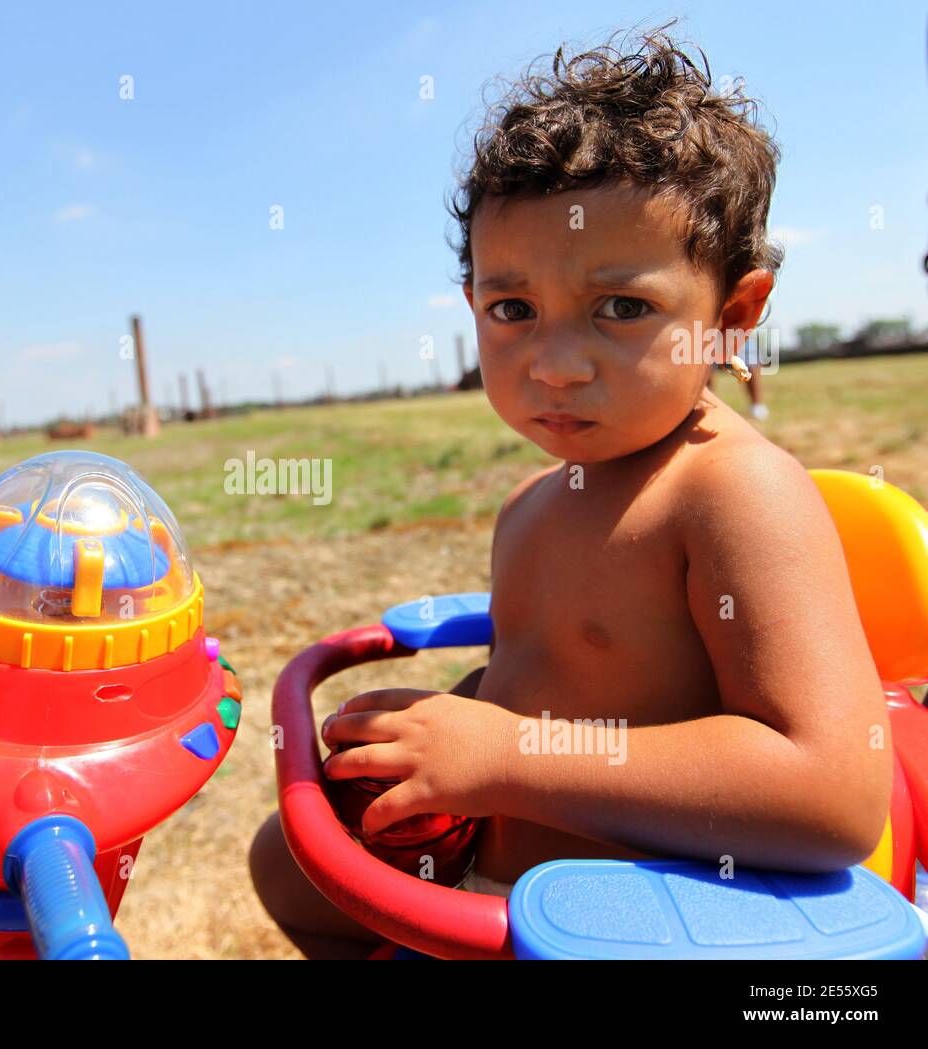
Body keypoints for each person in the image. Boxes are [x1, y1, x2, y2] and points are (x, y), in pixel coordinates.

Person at [250, 23, 889, 958]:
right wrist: (446, 719)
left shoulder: (733, 494)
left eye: (622, 308)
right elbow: (543, 674)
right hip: (500, 890)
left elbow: (832, 793)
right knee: (285, 864)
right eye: (514, 310)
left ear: (733, 317)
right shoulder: (530, 506)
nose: (554, 364)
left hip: (643, 920)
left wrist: (510, 755)